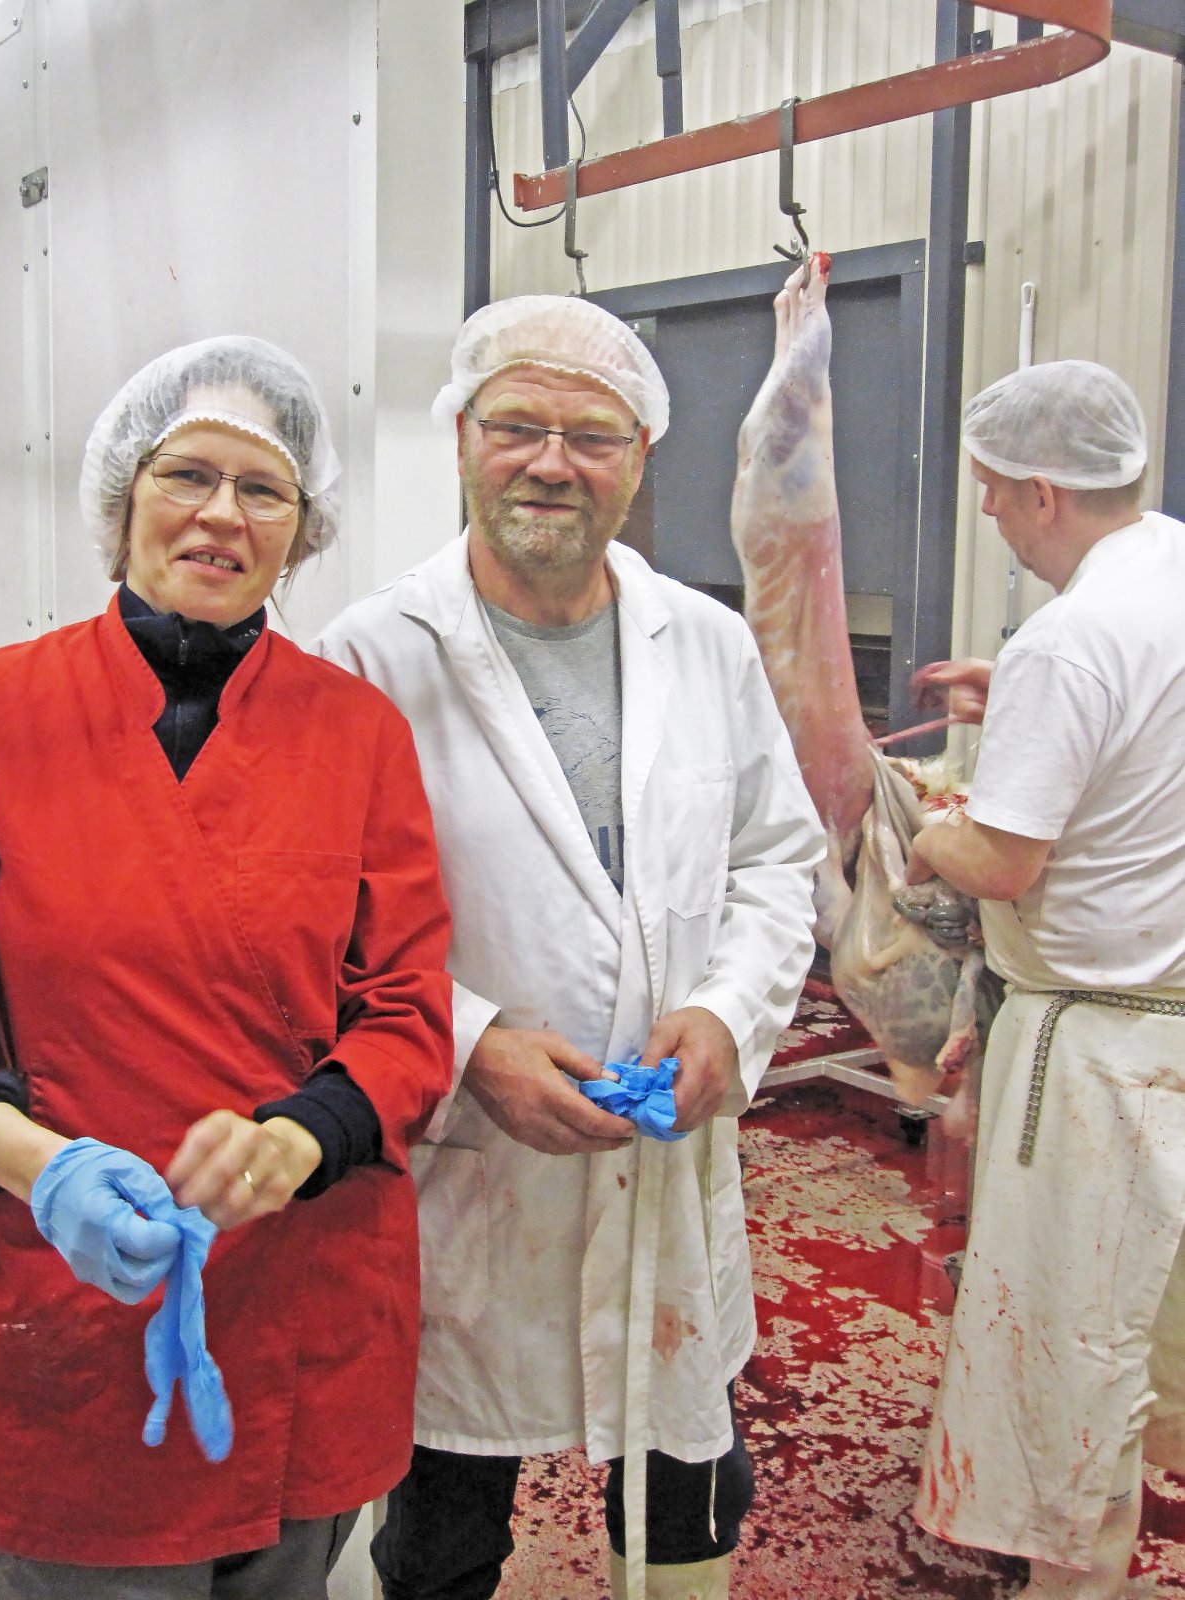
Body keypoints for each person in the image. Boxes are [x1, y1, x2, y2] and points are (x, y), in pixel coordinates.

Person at [0, 336, 454, 1599]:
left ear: (302, 529)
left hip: (303, 1291)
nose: (223, 515)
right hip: (66, 1306)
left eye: (264, 489)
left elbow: (408, 1009)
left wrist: (300, 1137)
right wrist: (44, 1166)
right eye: (188, 474)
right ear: (122, 493)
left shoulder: (358, 732)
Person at [316, 295, 825, 1600]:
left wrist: (726, 1016)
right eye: (517, 427)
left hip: (666, 1156)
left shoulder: (704, 643)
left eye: (591, 437)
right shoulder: (370, 656)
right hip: (472, 1170)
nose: (551, 463)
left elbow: (777, 858)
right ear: (461, 438)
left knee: (687, 1493)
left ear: (639, 458)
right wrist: (469, 1042)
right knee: (443, 1524)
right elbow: (318, 922)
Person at [906, 359, 1185, 1597]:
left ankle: (1073, 1579)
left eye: (987, 489)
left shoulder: (1067, 641)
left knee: (1071, 1351)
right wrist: (1009, 706)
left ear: (1038, 491)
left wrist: (929, 829)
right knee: (1152, 1318)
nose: (983, 510)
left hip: (1099, 1050)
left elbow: (1003, 862)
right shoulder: (1167, 566)